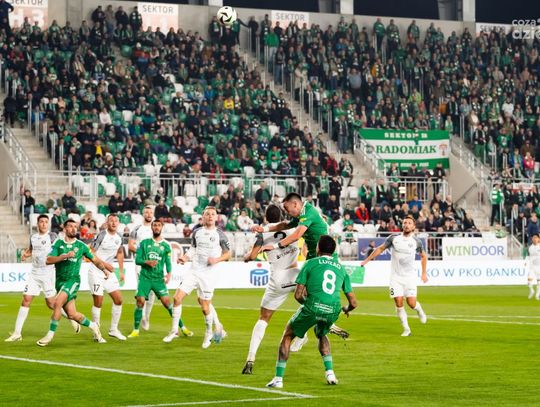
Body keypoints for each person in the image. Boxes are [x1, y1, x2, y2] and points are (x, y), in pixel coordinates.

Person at [252, 192, 349, 349]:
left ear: (295, 204)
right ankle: (312, 328)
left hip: (325, 255)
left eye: (286, 208)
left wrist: (275, 245)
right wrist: (264, 228)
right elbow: (284, 225)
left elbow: (297, 235)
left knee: (311, 293)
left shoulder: (308, 213)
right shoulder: (301, 214)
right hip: (313, 256)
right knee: (303, 292)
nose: (286, 211)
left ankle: (321, 324)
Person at [266, 235, 357, 388]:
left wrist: (309, 306)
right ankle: (330, 374)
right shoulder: (341, 268)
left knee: (288, 335)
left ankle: (278, 379)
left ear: (318, 248)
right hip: (333, 310)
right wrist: (345, 309)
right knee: (321, 333)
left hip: (313, 307)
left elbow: (298, 295)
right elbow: (353, 303)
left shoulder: (310, 263)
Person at [36, 219, 114, 346]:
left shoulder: (81, 246)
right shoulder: (58, 243)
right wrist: (64, 256)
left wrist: (104, 269)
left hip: (73, 281)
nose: (73, 229)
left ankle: (49, 336)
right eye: (70, 226)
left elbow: (94, 259)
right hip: (60, 282)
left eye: (75, 227)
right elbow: (48, 260)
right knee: (72, 315)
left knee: (57, 303)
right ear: (65, 229)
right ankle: (94, 326)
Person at [242, 205, 300, 374]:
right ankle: (302, 335)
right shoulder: (291, 228)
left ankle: (251, 358)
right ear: (281, 216)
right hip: (295, 275)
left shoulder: (263, 234)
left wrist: (247, 257)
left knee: (264, 318)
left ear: (266, 218)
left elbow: (252, 256)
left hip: (278, 280)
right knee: (308, 302)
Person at [163, 207, 230, 348]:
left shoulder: (220, 234)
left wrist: (216, 260)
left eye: (213, 214)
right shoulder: (197, 232)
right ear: (203, 217)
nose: (210, 216)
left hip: (208, 275)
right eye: (207, 214)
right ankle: (174, 331)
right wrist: (185, 257)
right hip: (193, 271)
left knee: (205, 306)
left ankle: (209, 333)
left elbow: (228, 254)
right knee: (177, 298)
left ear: (216, 217)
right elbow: (193, 249)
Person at [5, 215, 79, 342]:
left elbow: (61, 248)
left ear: (48, 224)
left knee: (51, 304)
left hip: (48, 274)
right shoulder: (33, 237)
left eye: (46, 222)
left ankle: (72, 318)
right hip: (34, 273)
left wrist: (66, 256)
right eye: (41, 222)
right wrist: (25, 255)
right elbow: (31, 250)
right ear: (37, 224)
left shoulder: (53, 236)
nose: (44, 224)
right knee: (26, 299)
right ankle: (17, 333)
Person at [361, 216, 428, 336]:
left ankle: (419, 310)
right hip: (395, 277)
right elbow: (380, 249)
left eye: (409, 223)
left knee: (411, 304)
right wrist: (366, 260)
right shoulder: (393, 238)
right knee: (398, 302)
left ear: (413, 227)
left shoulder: (416, 242)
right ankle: (406, 329)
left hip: (409, 278)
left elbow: (424, 256)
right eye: (405, 222)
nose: (406, 225)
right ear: (402, 225)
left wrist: (423, 273)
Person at [128, 220, 175, 338]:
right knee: (140, 301)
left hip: (158, 279)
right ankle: (135, 330)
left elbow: (168, 262)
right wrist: (147, 262)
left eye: (159, 225)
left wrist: (169, 274)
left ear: (162, 227)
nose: (156, 227)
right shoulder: (144, 243)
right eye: (154, 225)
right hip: (145, 277)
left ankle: (180, 328)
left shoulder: (166, 245)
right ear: (152, 228)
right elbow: (137, 260)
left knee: (167, 303)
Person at [88, 214, 126, 342]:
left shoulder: (119, 237)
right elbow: (91, 253)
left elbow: (120, 253)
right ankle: (96, 332)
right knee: (98, 302)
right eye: (111, 221)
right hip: (96, 272)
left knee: (119, 300)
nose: (114, 223)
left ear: (118, 223)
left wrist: (121, 271)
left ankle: (113, 330)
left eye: (116, 221)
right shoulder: (102, 235)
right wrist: (105, 265)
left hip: (109, 273)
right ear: (107, 222)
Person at [526, 233, 540, 300]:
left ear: (539, 239)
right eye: (533, 238)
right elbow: (528, 256)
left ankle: (537, 295)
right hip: (532, 267)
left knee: (539, 282)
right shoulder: (530, 248)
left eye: (536, 237)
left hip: (539, 267)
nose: (534, 239)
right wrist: (526, 262)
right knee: (529, 280)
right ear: (531, 239)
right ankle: (531, 291)